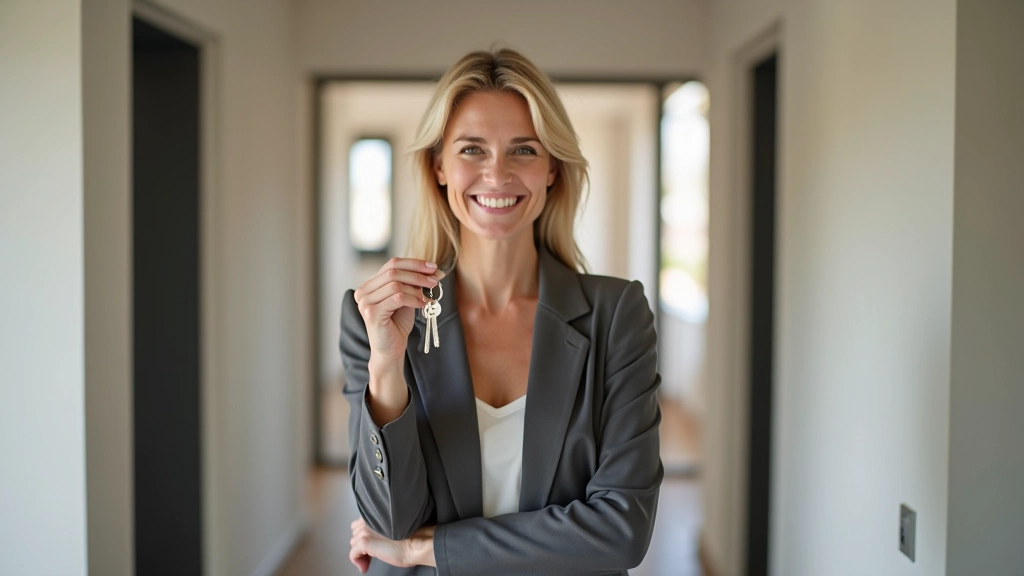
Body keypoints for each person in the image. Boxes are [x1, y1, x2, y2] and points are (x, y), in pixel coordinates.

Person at [339, 48, 663, 575]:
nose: (497, 173)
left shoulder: (616, 314)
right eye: (471, 149)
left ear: (552, 168)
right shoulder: (371, 319)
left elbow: (621, 531)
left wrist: (431, 549)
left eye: (523, 150)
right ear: (438, 166)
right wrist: (386, 367)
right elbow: (391, 522)